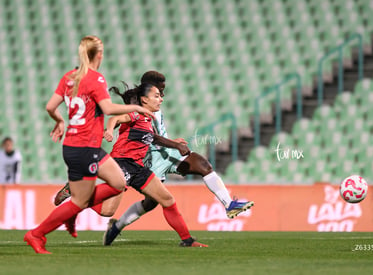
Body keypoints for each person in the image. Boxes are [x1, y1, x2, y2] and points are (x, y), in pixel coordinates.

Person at [55, 71, 254, 245]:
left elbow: (153, 131)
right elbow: (134, 125)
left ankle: (228, 205)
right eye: (160, 90)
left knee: (202, 165)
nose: (163, 95)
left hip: (164, 153)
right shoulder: (141, 103)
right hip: (147, 157)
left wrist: (172, 141)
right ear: (149, 89)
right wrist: (107, 129)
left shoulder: (154, 102)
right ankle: (114, 224)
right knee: (146, 203)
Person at [23, 35, 154, 254]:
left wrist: (60, 121)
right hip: (84, 148)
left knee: (118, 182)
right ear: (99, 55)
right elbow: (108, 108)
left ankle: (72, 210)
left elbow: (49, 106)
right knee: (82, 200)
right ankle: (36, 234)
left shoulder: (69, 77)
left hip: (78, 146)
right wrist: (138, 109)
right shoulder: (96, 79)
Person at [99, 83, 207, 247]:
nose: (161, 99)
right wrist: (109, 130)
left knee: (167, 199)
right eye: (156, 96)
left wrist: (174, 143)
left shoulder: (148, 120)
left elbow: (155, 139)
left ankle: (187, 240)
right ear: (144, 100)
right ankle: (76, 191)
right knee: (107, 211)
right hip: (121, 163)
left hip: (137, 167)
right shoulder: (135, 114)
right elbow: (115, 118)